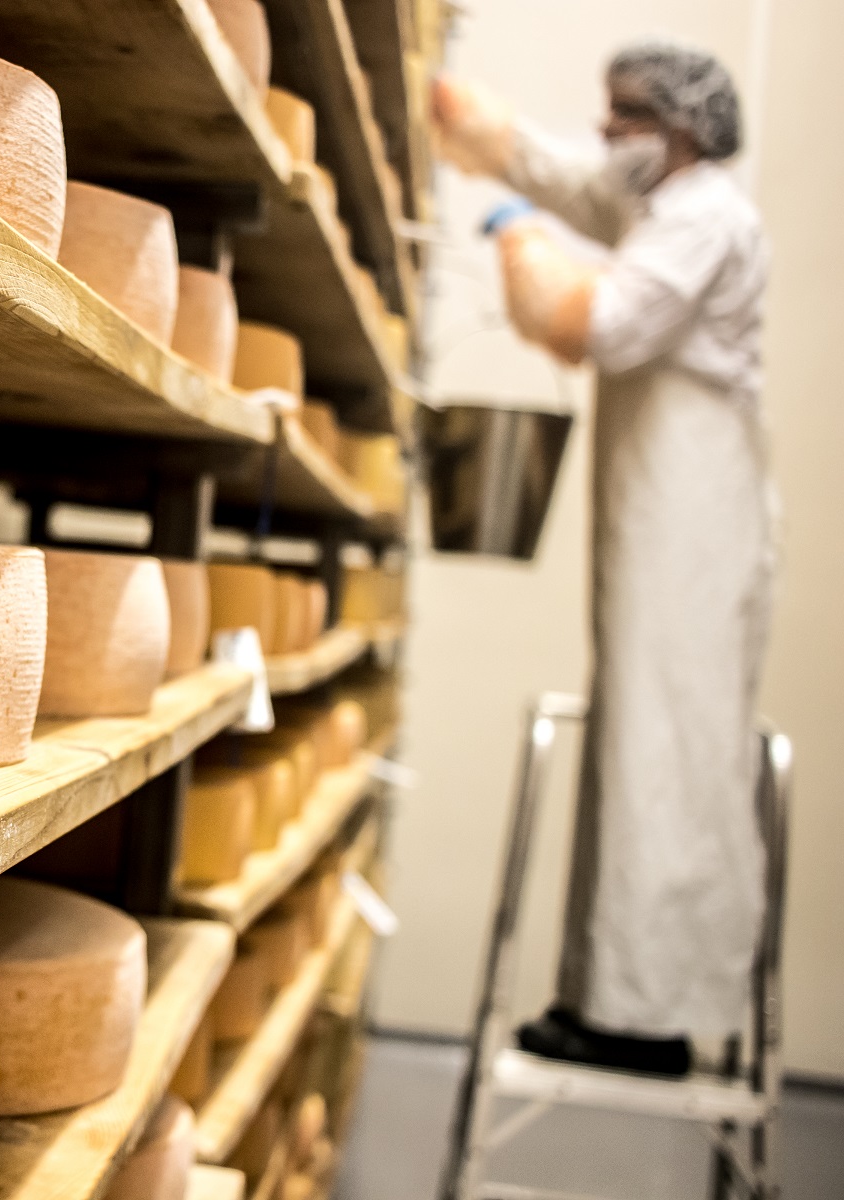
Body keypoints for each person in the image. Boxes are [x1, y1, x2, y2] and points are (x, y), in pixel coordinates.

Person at [433, 40, 776, 1077]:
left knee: (663, 745)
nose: (607, 131)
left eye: (625, 115)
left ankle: (647, 1019)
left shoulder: (707, 217)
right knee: (638, 735)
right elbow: (566, 173)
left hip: (695, 516)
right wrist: (464, 118)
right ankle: (613, 999)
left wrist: (520, 241)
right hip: (660, 508)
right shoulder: (657, 204)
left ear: (677, 130)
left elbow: (605, 327)